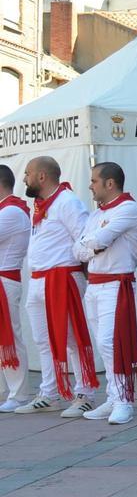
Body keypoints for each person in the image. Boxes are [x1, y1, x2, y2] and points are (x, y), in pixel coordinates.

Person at [14, 157, 97, 416]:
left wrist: (81, 277)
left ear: (41, 176)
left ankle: (84, 393)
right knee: (43, 339)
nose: (24, 179)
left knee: (71, 338)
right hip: (39, 280)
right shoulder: (41, 205)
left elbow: (85, 240)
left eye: (27, 173)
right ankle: (49, 392)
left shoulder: (67, 202)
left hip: (62, 279)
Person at [73, 162, 137, 425]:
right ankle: (113, 396)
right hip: (95, 285)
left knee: (112, 342)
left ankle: (124, 400)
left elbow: (99, 240)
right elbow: (77, 250)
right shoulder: (95, 214)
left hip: (116, 283)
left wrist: (92, 246)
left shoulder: (129, 209)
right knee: (103, 343)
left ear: (109, 183)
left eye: (94, 181)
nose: (90, 185)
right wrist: (93, 247)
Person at [0, 165, 30, 413]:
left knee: (10, 338)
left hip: (5, 281)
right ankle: (8, 390)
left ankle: (18, 393)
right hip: (5, 280)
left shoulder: (10, 211)